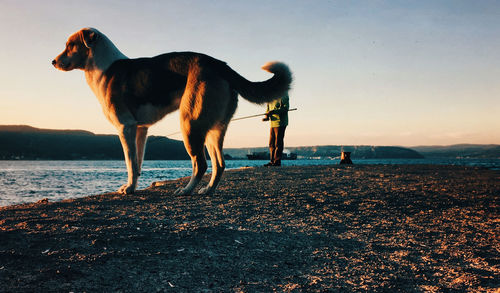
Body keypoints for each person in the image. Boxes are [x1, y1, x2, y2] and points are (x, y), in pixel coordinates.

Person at [263, 94, 289, 166]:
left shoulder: (284, 95)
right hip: (272, 124)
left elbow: (285, 108)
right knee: (271, 143)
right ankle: (272, 161)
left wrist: (273, 112)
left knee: (278, 143)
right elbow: (268, 109)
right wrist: (267, 116)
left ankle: (277, 161)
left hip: (281, 123)